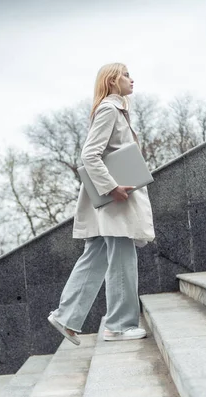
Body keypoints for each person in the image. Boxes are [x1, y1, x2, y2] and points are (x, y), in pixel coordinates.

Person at [47, 62, 155, 345]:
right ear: (111, 80)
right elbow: (89, 155)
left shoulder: (115, 110)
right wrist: (112, 188)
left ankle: (66, 316)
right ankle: (119, 325)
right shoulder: (109, 109)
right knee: (122, 259)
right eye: (126, 75)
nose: (132, 79)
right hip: (113, 199)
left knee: (94, 256)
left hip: (108, 200)